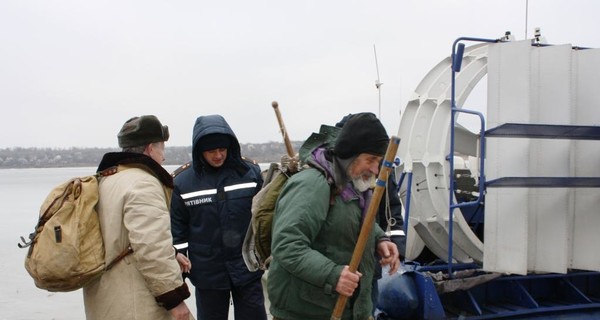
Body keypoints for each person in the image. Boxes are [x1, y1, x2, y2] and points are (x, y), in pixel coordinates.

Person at [267, 112, 400, 320]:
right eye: (371, 159)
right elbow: (287, 244)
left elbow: (350, 218)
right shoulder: (312, 184)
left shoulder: (351, 182)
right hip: (308, 312)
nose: (376, 169)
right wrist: (333, 275)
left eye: (380, 161)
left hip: (348, 308)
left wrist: (379, 238)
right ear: (351, 154)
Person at [83, 115, 192, 320]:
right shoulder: (144, 184)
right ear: (151, 149)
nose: (164, 157)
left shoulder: (107, 180)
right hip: (136, 304)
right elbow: (151, 247)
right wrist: (175, 301)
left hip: (105, 300)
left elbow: (121, 238)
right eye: (162, 149)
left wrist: (171, 253)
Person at [170, 114, 267, 320]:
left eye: (222, 149)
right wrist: (180, 273)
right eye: (211, 151)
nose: (218, 155)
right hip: (207, 275)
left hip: (248, 268)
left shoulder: (250, 173)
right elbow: (177, 231)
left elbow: (264, 218)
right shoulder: (183, 182)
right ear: (199, 150)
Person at [335, 114, 406, 314]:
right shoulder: (331, 177)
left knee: (366, 310)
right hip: (337, 273)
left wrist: (393, 247)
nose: (375, 167)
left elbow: (391, 209)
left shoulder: (382, 171)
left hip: (369, 267)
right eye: (370, 158)